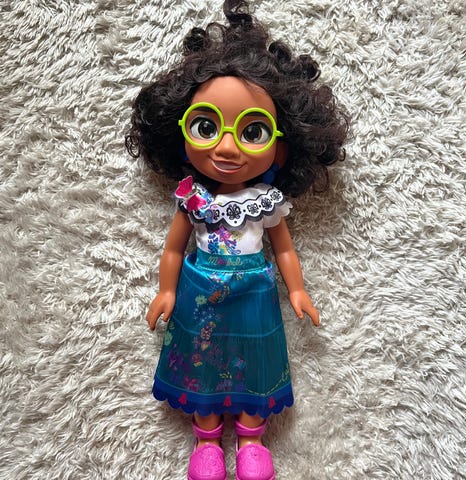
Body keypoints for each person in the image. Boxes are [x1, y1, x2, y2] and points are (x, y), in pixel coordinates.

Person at [126, 1, 348, 479]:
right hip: (199, 291)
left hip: (254, 293)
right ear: (180, 132)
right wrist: (166, 291)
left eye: (252, 132)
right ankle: (206, 440)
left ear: (281, 148)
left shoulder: (265, 201)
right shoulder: (193, 197)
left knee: (254, 360)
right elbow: (174, 248)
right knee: (201, 361)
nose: (226, 147)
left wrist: (297, 289)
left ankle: (251, 439)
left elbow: (283, 248)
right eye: (207, 126)